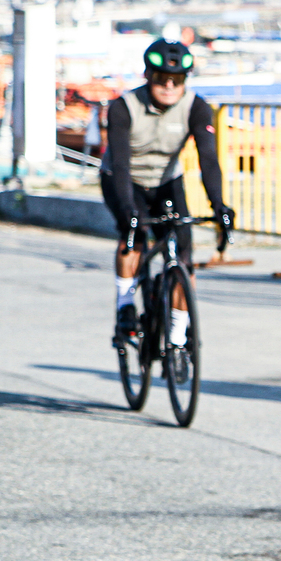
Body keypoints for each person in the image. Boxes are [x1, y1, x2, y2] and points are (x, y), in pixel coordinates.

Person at [99, 38, 231, 347]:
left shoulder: (196, 107)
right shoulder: (124, 107)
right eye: (161, 78)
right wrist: (128, 210)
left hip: (167, 181)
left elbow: (208, 159)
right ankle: (125, 305)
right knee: (132, 237)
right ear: (148, 75)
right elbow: (120, 163)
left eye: (178, 79)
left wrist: (219, 205)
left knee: (184, 256)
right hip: (125, 179)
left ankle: (177, 336)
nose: (169, 86)